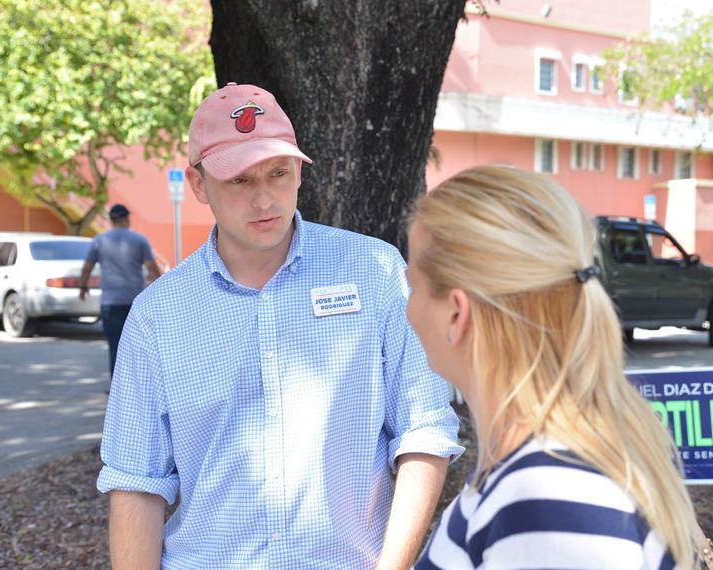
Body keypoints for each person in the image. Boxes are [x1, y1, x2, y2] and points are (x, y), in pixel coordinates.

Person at [96, 82, 463, 569]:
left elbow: (423, 432)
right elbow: (136, 481)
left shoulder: (373, 271)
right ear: (200, 185)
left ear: (299, 172)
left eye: (278, 173)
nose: (265, 198)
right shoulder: (157, 314)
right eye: (240, 181)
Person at [406, 165, 697, 569]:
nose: (407, 309)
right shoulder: (553, 467)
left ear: (456, 313)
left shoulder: (543, 499)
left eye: (414, 287)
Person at [79, 203, 161, 379]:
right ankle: (140, 387)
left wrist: (83, 286)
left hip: (110, 302)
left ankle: (118, 391)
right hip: (135, 301)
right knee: (138, 347)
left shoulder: (99, 240)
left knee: (115, 345)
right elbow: (152, 268)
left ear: (111, 220)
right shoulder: (140, 240)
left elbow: (87, 267)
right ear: (126, 219)